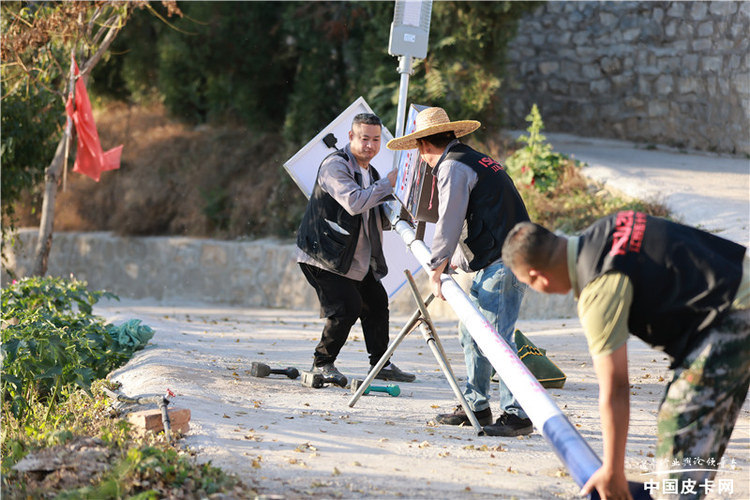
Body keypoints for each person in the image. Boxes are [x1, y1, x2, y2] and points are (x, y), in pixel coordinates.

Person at [501, 213, 749, 500]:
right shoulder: (608, 228)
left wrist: (613, 472)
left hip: (732, 314)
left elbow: (616, 388)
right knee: (698, 427)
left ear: (536, 277)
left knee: (680, 419)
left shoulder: (598, 289)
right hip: (737, 287)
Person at [387, 107, 533, 437]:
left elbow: (449, 220)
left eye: (419, 152)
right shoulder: (475, 159)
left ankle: (518, 415)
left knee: (495, 340)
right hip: (504, 258)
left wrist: (436, 268)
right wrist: (457, 261)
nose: (422, 159)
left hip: (505, 262)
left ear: (423, 146)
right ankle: (476, 406)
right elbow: (484, 214)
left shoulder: (451, 166)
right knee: (472, 334)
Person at [296, 113, 416, 384]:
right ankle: (321, 364)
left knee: (376, 302)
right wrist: (388, 183)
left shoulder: (370, 172)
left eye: (376, 139)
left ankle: (381, 365)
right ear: (351, 137)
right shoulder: (335, 166)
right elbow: (354, 202)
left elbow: (372, 216)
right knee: (347, 307)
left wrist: (403, 216)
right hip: (323, 255)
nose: (371, 145)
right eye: (364, 138)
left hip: (355, 259)